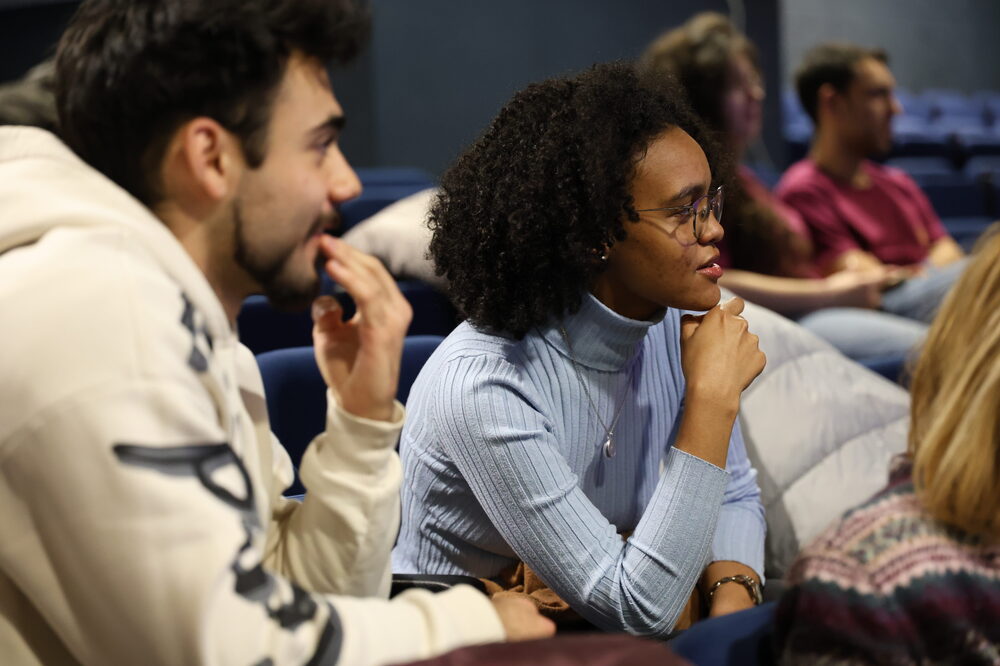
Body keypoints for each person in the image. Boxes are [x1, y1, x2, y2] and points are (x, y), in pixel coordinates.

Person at [0, 0, 553, 664]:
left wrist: (360, 426)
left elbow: (291, 596)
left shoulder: (188, 322)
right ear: (210, 158)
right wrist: (473, 626)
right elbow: (233, 654)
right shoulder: (100, 317)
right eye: (320, 144)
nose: (346, 182)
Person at [392, 62, 767, 637]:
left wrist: (729, 612)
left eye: (710, 200)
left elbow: (734, 490)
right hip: (472, 644)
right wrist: (711, 402)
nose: (713, 229)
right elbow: (636, 608)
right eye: (682, 210)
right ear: (595, 233)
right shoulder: (484, 386)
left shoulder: (672, 323)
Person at [640, 13, 928, 362]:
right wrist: (826, 293)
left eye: (756, 82)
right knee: (949, 342)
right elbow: (717, 280)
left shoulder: (746, 178)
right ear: (703, 97)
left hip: (826, 307)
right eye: (740, 85)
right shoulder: (694, 188)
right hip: (794, 322)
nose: (757, 94)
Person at [773, 230, 1000, 663]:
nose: (708, 228)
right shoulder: (865, 580)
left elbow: (940, 241)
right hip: (855, 299)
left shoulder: (892, 184)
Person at [776, 42, 967, 324]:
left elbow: (947, 247)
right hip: (880, 310)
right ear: (833, 103)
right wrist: (929, 272)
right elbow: (866, 277)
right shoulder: (804, 190)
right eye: (878, 94)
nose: (896, 109)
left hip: (931, 295)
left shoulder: (898, 182)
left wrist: (918, 273)